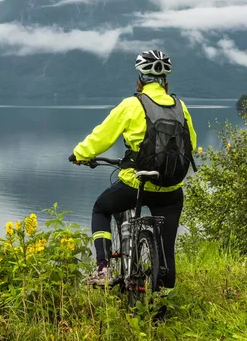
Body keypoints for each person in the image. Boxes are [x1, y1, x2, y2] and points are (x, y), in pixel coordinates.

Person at [69, 49, 197, 291]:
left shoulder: (132, 104)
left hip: (136, 183)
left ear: (140, 79)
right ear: (165, 82)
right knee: (166, 250)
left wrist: (80, 154)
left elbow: (101, 137)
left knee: (101, 208)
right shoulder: (181, 106)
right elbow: (193, 144)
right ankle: (162, 306)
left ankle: (103, 267)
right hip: (171, 188)